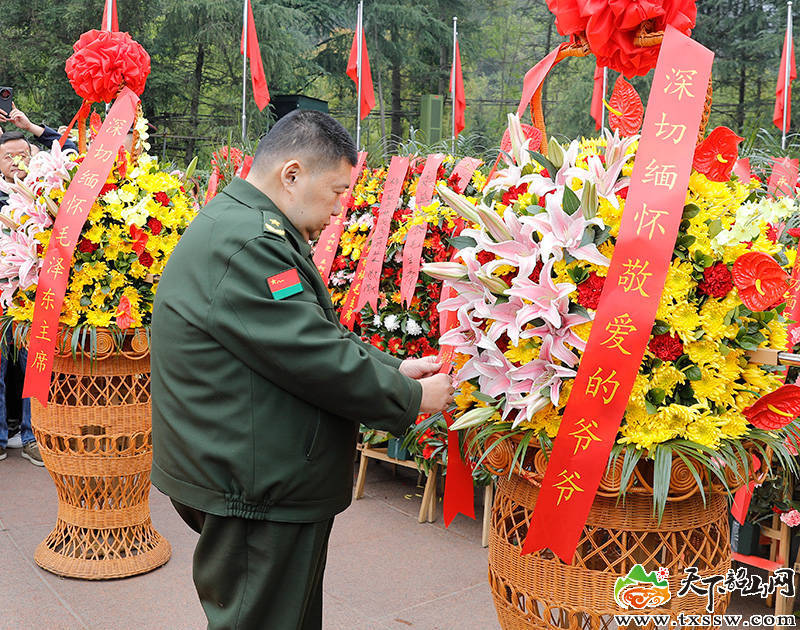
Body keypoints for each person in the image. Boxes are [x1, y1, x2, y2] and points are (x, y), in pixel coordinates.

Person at [150, 110, 454, 630]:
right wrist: (412, 398)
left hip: (253, 466)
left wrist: (397, 366)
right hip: (256, 483)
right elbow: (313, 356)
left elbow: (305, 333)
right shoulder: (250, 243)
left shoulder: (246, 224)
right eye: (337, 191)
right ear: (291, 175)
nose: (341, 209)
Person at [0, 103, 77, 153]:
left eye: (22, 155)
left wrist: (30, 126)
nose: (15, 162)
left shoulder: (40, 174)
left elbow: (69, 149)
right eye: (8, 157)